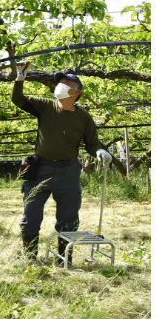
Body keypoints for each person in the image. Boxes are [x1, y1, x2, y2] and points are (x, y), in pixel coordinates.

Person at [12, 65, 112, 265]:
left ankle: (63, 259)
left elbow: (92, 143)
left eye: (67, 83)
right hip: (41, 170)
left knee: (68, 218)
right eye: (60, 82)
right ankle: (30, 258)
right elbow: (18, 100)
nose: (61, 85)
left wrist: (100, 151)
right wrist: (20, 78)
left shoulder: (83, 117)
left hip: (68, 172)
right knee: (31, 215)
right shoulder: (45, 106)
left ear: (77, 92)